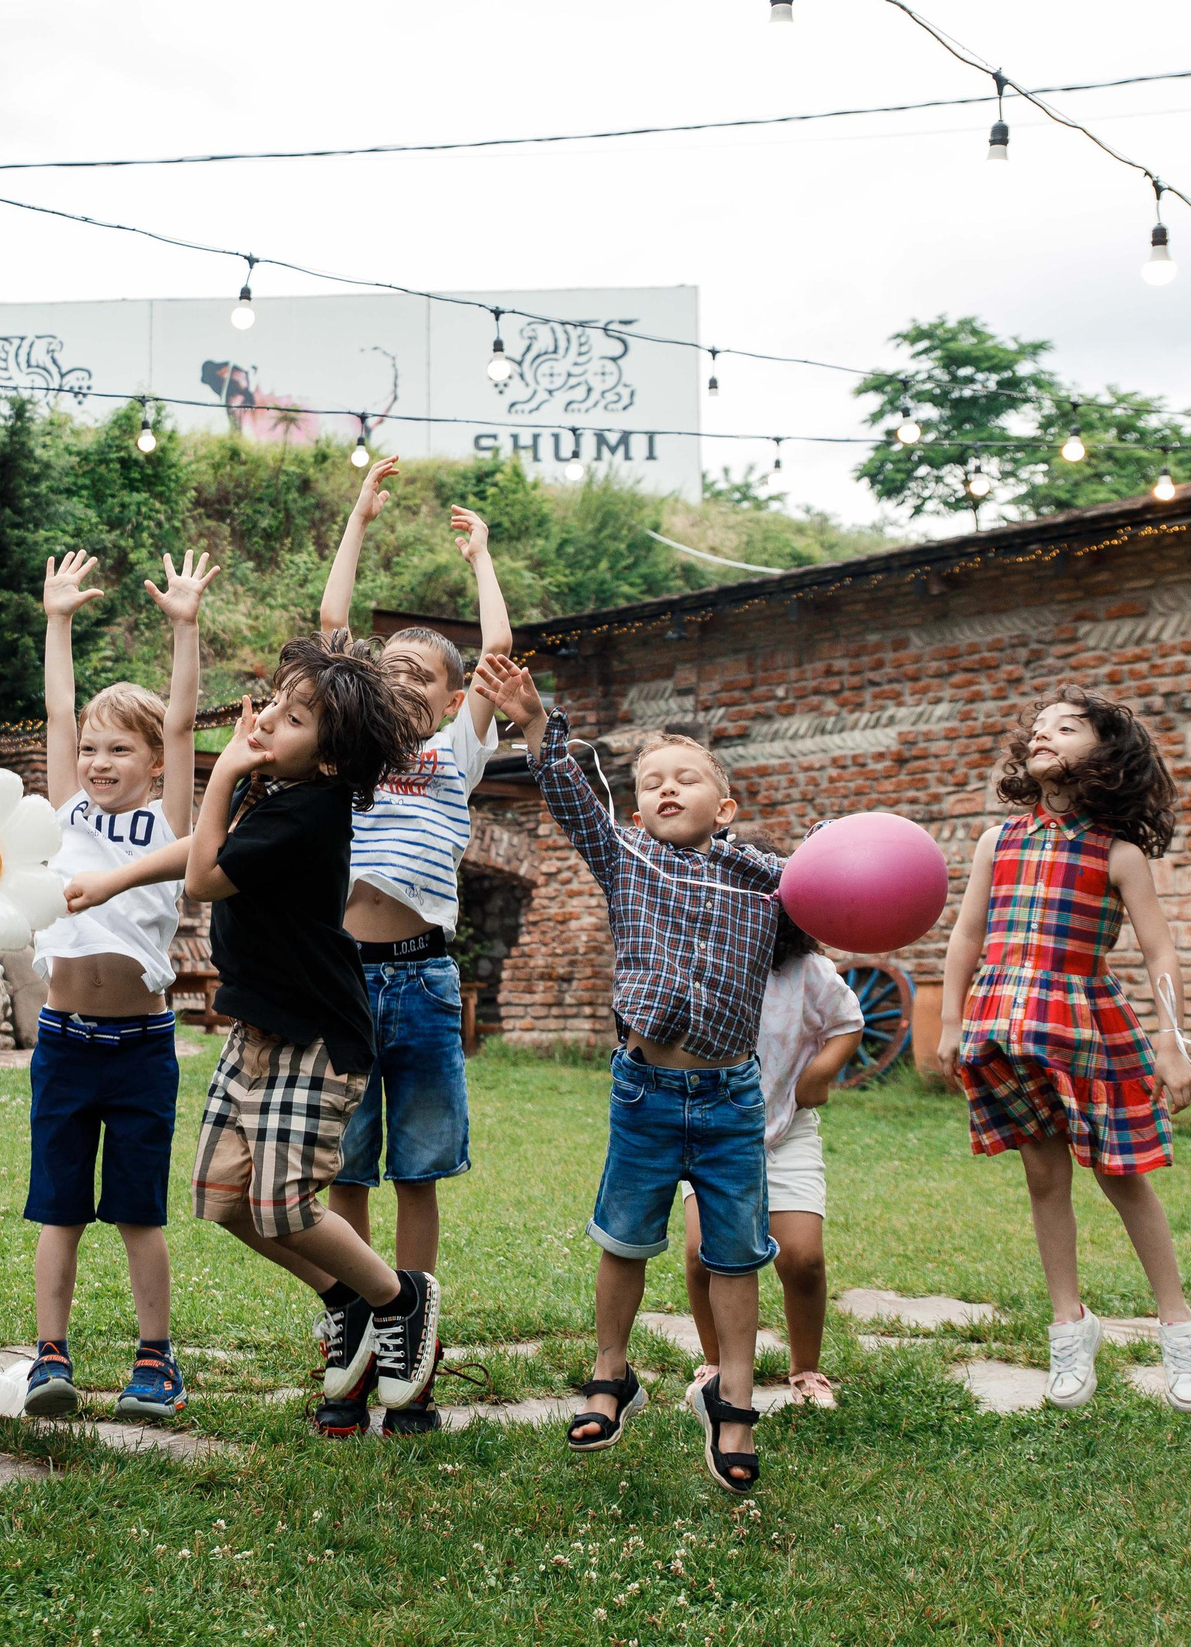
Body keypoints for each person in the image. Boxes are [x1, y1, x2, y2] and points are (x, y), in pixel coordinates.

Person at [477, 653, 782, 1494]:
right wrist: (538, 726)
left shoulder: (767, 883)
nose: (668, 788)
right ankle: (612, 1372)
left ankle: (734, 1395)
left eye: (688, 778)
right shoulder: (626, 861)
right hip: (646, 1089)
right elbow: (576, 801)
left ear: (726, 807)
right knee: (623, 1236)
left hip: (729, 1095)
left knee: (736, 1252)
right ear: (639, 807)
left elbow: (848, 895)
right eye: (653, 781)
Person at [184, 630, 442, 1431]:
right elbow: (203, 851)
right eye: (276, 704)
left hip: (315, 1039)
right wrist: (109, 880)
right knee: (222, 1198)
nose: (266, 723)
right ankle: (348, 1301)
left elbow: (201, 874)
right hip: (260, 1028)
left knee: (287, 1205)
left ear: (328, 758)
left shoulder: (308, 807)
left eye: (292, 719)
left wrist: (223, 768)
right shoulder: (281, 796)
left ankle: (401, 1299)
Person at [937, 686, 1191, 1412]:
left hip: (1087, 1022)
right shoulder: (997, 840)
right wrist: (948, 1022)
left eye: (1066, 727)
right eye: (1038, 727)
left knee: (1122, 1173)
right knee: (1042, 1173)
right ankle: (1070, 1325)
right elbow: (966, 935)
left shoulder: (1118, 854)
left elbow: (1158, 948)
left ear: (1107, 756)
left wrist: (1172, 1042)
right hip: (1005, 1020)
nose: (1044, 733)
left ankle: (1178, 1325)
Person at [313, 455, 513, 1435]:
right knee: (343, 1172)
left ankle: (412, 1356)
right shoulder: (344, 753)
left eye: (418, 675)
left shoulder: (452, 756)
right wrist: (358, 514)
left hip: (423, 984)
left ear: (443, 700)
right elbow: (332, 634)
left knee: (416, 1172)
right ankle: (347, 1357)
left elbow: (499, 651)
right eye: (384, 673)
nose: (396, 681)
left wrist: (480, 558)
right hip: (343, 985)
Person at [20, 547, 216, 1422]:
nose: (97, 760)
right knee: (58, 1208)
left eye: (117, 749)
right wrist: (57, 620)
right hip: (65, 1043)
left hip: (140, 1048)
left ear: (149, 762)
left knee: (139, 1211)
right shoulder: (65, 809)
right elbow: (58, 712)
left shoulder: (169, 820)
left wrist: (187, 628)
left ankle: (154, 1360)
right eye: (92, 749)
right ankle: (50, 1357)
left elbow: (182, 720)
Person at [681, 908, 860, 1413]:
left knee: (802, 1259)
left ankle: (805, 1371)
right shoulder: (700, 961)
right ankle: (715, 1366)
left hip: (787, 1133)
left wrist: (817, 1076)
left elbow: (848, 1023)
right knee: (701, 1255)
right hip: (713, 1130)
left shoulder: (807, 971)